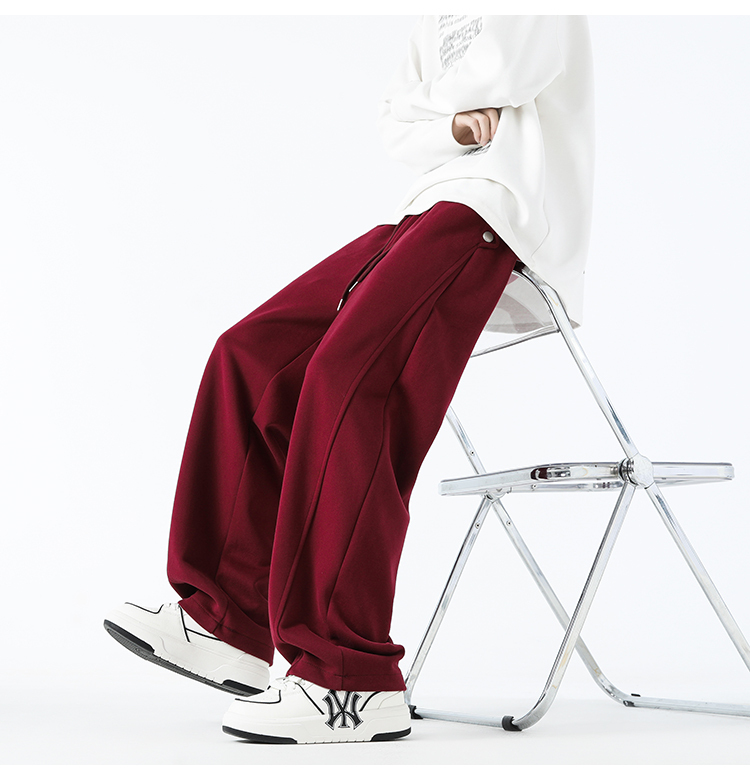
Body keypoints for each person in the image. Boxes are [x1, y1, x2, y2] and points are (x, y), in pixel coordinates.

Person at [104, 15, 594, 745]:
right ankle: (225, 619)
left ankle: (348, 676)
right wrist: (451, 120)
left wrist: (436, 108)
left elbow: (512, 67)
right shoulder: (437, 15)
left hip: (503, 213)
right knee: (251, 355)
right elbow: (396, 125)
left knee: (347, 380)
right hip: (424, 209)